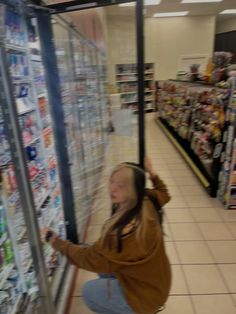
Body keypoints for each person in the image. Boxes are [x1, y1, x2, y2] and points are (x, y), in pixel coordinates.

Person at [44, 157, 172, 314]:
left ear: (133, 189)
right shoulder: (146, 199)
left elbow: (87, 258)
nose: (113, 189)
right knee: (96, 257)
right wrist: (151, 172)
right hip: (157, 282)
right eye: (112, 181)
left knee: (89, 291)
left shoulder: (123, 233)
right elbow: (164, 194)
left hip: (144, 297)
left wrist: (54, 240)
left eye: (121, 186)